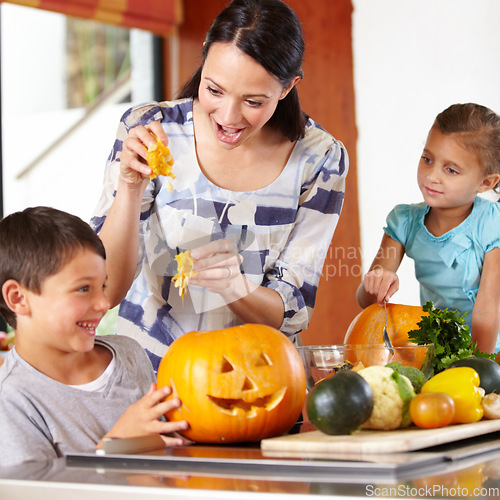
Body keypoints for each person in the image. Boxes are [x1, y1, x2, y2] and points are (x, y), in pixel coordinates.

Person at [91, 0, 348, 370]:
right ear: (204, 61)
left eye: (254, 101)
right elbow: (104, 289)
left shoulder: (319, 159)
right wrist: (129, 187)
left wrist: (234, 286)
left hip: (260, 381)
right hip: (149, 381)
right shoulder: (149, 130)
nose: (228, 117)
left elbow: (293, 310)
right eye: (214, 90)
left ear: (289, 86)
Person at [0, 207, 188, 467]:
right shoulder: (10, 399)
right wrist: (116, 445)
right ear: (18, 298)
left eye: (103, 286)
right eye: (83, 288)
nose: (102, 303)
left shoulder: (128, 353)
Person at [357, 103, 500, 353]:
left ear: (486, 182)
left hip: (489, 353)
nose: (431, 176)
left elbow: (488, 311)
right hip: (437, 351)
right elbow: (364, 301)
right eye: (427, 159)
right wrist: (375, 283)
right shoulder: (404, 221)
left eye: (451, 170)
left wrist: (479, 368)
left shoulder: (491, 225)